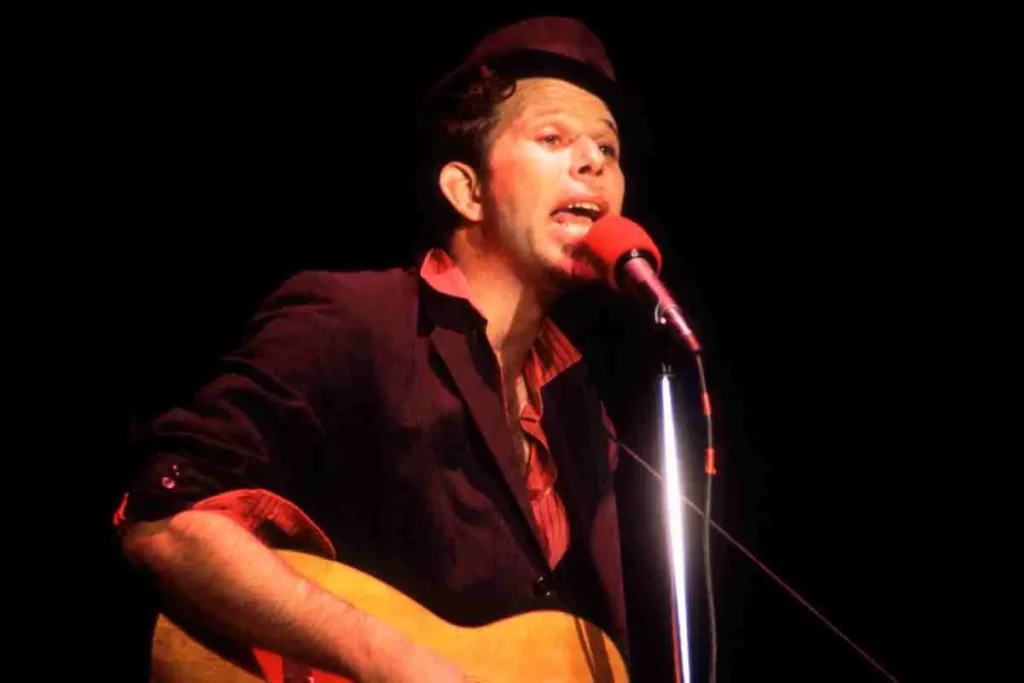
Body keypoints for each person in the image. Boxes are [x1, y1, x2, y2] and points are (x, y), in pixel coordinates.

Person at [115, 15, 646, 682]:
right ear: (468, 190)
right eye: (552, 137)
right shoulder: (354, 320)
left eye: (609, 148)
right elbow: (167, 519)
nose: (595, 161)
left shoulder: (583, 419)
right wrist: (389, 656)